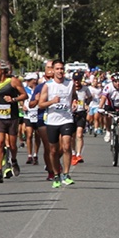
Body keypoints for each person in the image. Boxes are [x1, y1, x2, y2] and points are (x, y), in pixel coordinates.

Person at [35, 59, 76, 187]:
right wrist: (52, 101)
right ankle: (56, 174)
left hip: (67, 118)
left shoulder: (70, 83)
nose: (60, 71)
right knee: (53, 150)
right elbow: (41, 104)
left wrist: (74, 102)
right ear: (52, 70)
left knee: (66, 146)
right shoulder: (48, 85)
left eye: (61, 69)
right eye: (57, 69)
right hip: (52, 120)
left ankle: (66, 174)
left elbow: (74, 96)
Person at [0, 59, 26, 182]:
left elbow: (25, 95)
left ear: (2, 70)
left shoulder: (13, 81)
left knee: (12, 145)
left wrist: (13, 99)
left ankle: (13, 160)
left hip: (12, 117)